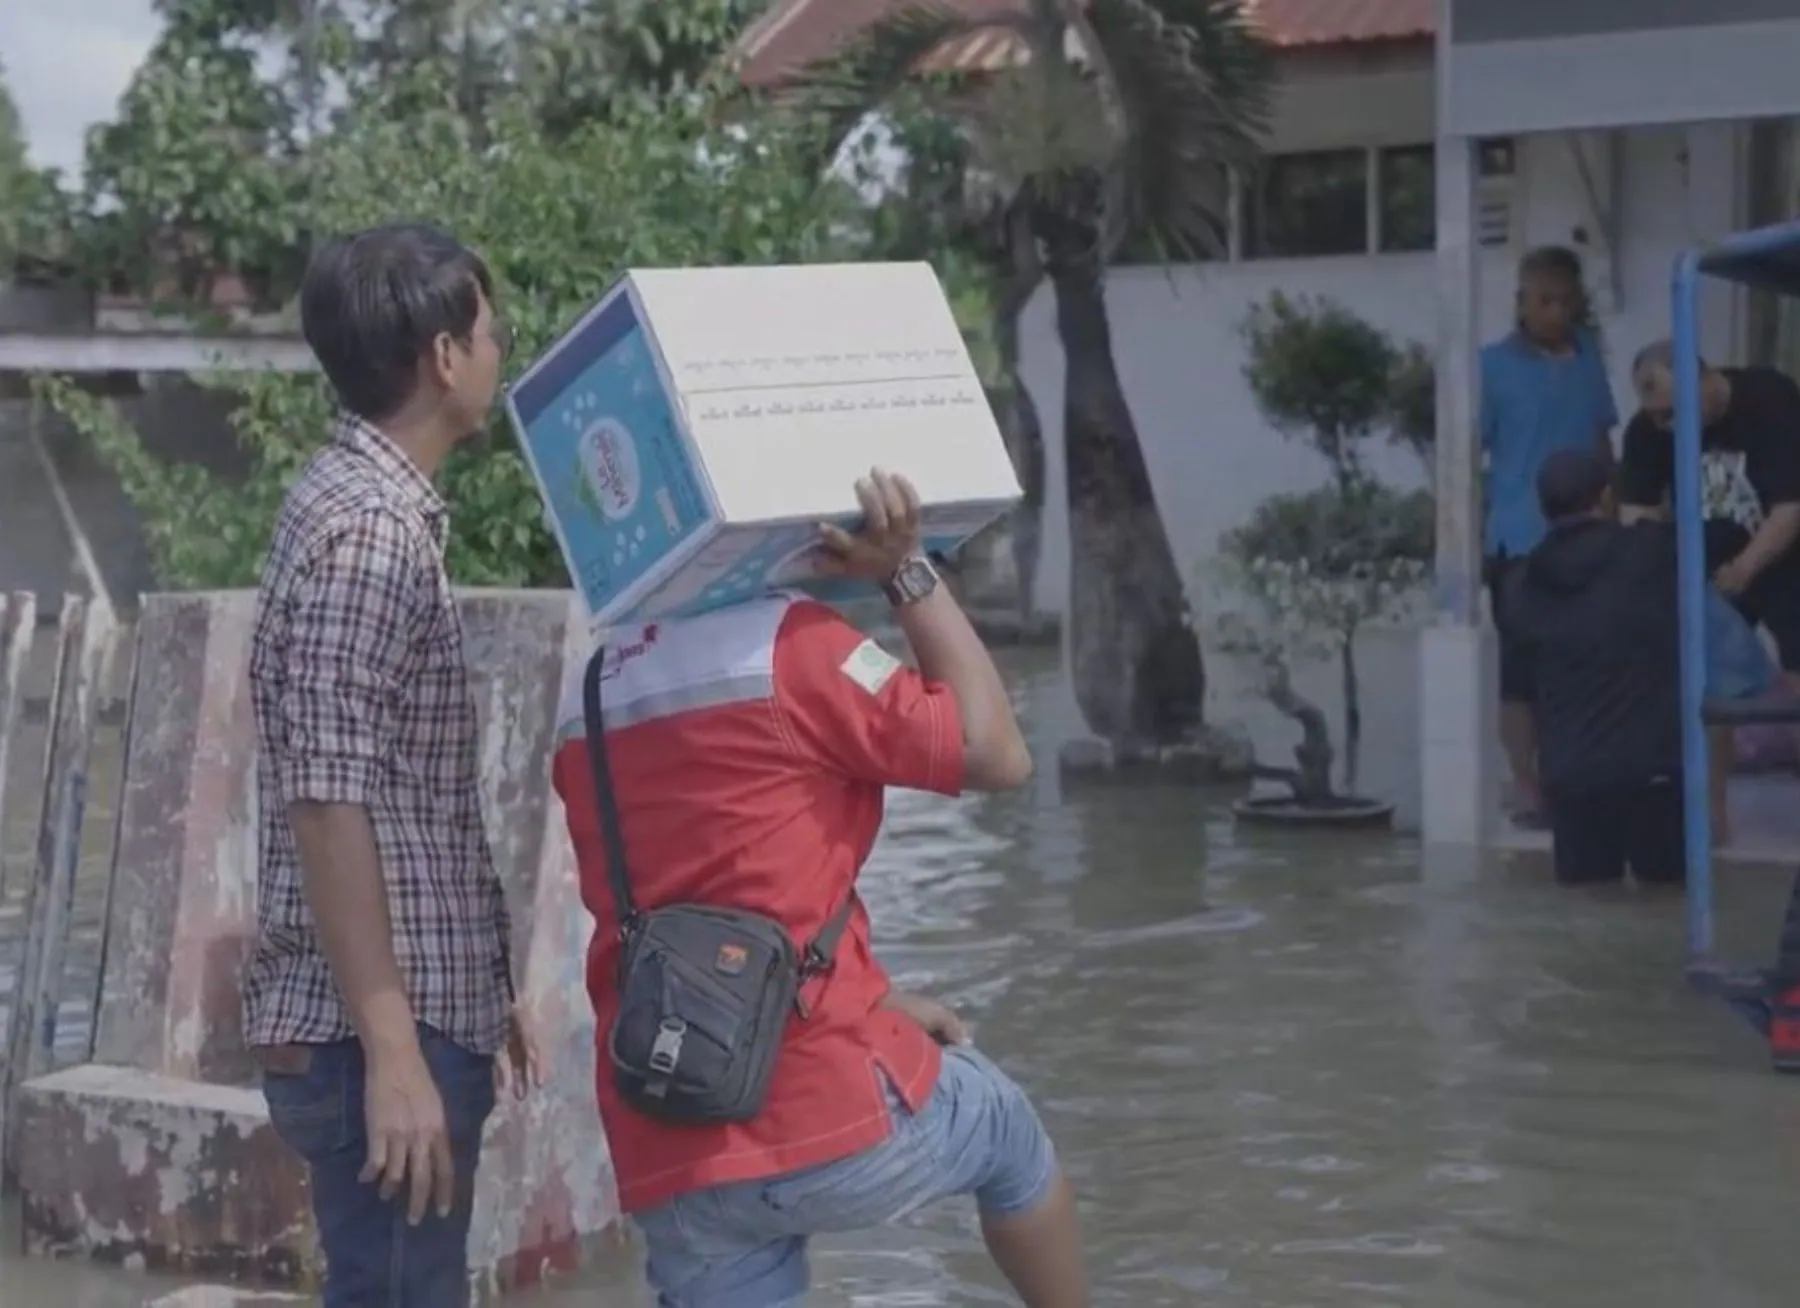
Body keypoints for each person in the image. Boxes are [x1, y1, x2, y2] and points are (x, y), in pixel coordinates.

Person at [551, 470, 1089, 1308]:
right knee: (1004, 1129)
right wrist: (903, 570)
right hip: (823, 1107)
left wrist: (882, 1000)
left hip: (669, 1138)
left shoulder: (586, 695)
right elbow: (997, 752)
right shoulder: (795, 646)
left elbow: (709, 898)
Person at [243, 223, 541, 1307]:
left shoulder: (360, 504)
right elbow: (328, 803)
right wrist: (397, 1051)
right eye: (491, 333)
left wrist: (479, 984)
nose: (498, 352)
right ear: (443, 356)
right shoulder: (370, 533)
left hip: (405, 1007)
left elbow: (400, 802)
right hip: (368, 1036)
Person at [1620, 341, 1800, 840]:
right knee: (1711, 688)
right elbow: (1636, 514)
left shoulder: (1767, 399)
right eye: (1656, 417)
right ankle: (1712, 817)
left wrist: (1745, 567)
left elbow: (1791, 507)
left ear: (1702, 378)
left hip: (1784, 554)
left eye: (1674, 413)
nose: (1667, 428)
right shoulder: (1648, 431)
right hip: (1710, 567)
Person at [1481, 246, 1620, 827]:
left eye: (1565, 300)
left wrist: (1617, 516)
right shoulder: (1490, 365)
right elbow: (1467, 456)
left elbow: (1602, 441)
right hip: (1517, 539)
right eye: (1544, 300)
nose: (1555, 312)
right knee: (1522, 668)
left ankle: (1578, 776)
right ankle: (1526, 782)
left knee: (1588, 661)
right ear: (1521, 300)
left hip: (1590, 536)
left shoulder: (1590, 356)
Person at [1505, 447, 1686, 888]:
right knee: (1663, 910)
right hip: (1654, 770)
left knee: (1587, 909)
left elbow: (1514, 702)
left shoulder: (1520, 584)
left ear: (1542, 507)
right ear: (1606, 497)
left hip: (1571, 777)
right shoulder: (1649, 551)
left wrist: (1526, 779)